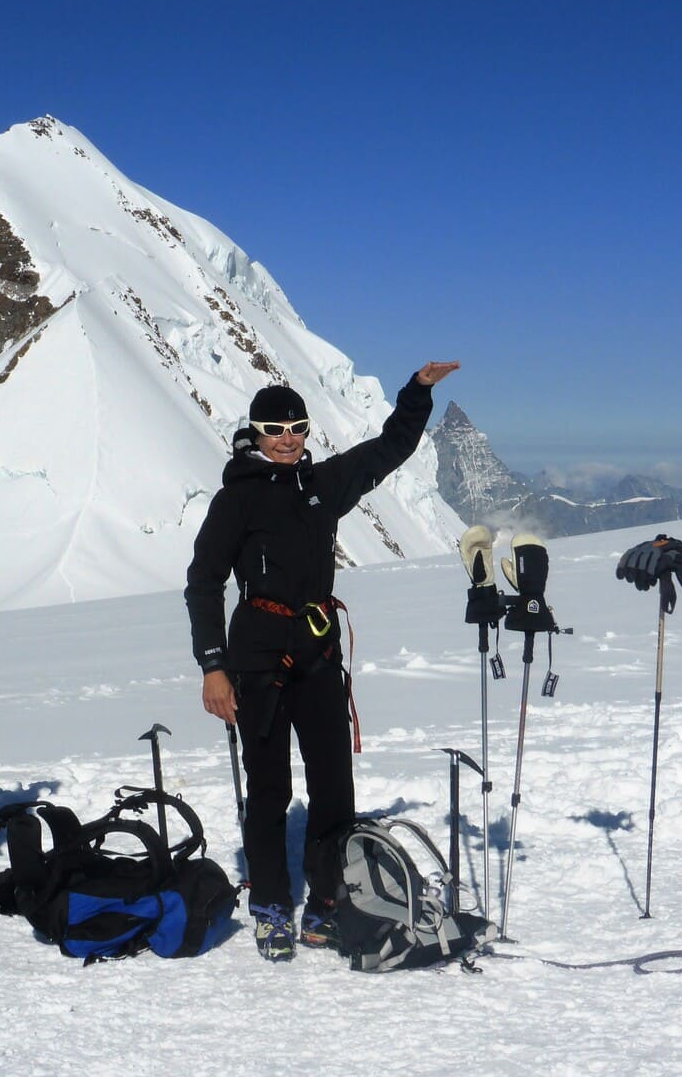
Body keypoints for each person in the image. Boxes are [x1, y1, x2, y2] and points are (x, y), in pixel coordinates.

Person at [185, 361, 460, 961]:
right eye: (274, 429)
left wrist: (416, 393)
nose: (287, 439)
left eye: (297, 428)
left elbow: (389, 449)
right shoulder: (235, 500)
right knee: (269, 789)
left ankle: (327, 903)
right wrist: (212, 666)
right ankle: (270, 905)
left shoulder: (323, 484)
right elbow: (203, 583)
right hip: (256, 661)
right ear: (255, 434)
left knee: (334, 785)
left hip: (318, 652)